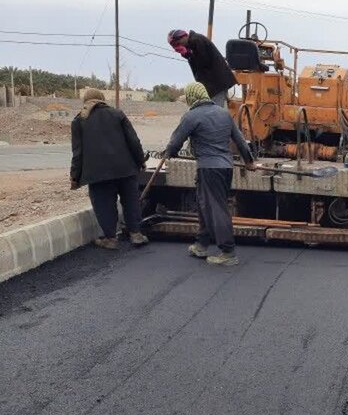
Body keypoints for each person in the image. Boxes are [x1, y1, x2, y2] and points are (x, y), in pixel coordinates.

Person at [164, 82, 257, 266]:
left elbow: (175, 142)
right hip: (225, 167)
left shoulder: (191, 116)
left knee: (216, 207)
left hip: (208, 167)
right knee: (204, 204)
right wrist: (249, 162)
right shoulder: (224, 114)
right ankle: (201, 244)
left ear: (191, 97)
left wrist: (169, 153)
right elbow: (240, 141)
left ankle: (228, 251)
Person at [70, 88, 149, 250]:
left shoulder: (79, 121)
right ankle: (136, 234)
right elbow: (133, 141)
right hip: (126, 169)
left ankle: (111, 239)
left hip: (98, 174)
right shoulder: (117, 114)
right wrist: (140, 161)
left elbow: (78, 153)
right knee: (131, 201)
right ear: (102, 99)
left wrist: (74, 176)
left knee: (104, 205)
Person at [167, 29, 237, 107]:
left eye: (178, 44)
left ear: (183, 37)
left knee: (214, 111)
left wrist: (188, 54)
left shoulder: (197, 41)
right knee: (213, 110)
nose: (178, 47)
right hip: (214, 84)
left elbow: (203, 63)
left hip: (217, 84)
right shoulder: (193, 43)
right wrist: (188, 55)